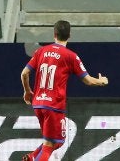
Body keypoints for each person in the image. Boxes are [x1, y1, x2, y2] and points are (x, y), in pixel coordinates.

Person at [20, 20, 109, 161]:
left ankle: (32, 157)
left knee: (56, 141)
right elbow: (88, 80)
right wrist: (102, 81)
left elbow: (24, 73)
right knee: (51, 145)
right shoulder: (70, 56)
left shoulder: (40, 51)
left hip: (38, 103)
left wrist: (27, 91)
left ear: (54, 34)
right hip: (53, 106)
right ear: (69, 35)